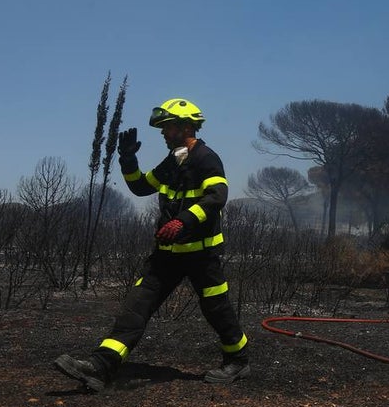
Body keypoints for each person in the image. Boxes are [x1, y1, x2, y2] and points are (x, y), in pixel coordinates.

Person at [54, 98, 250, 391]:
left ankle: (238, 361)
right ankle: (101, 367)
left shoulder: (207, 158)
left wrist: (182, 222)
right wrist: (128, 160)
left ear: (186, 127)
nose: (162, 133)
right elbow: (142, 186)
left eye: (167, 127)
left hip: (202, 255)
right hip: (167, 256)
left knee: (216, 308)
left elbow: (216, 198)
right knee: (136, 305)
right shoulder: (174, 160)